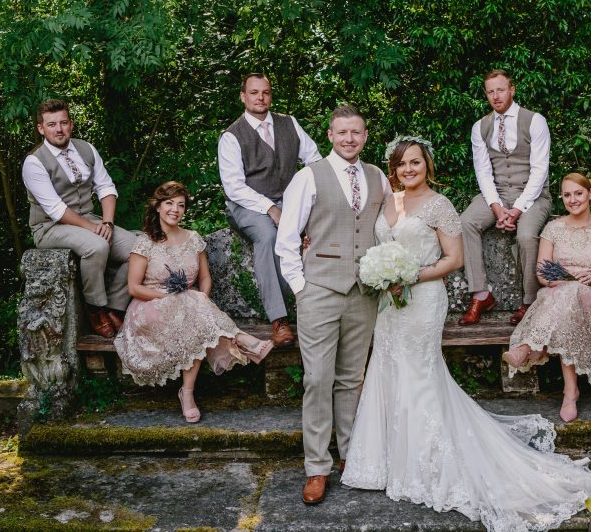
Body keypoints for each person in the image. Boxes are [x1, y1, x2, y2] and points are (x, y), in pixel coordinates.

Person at [342, 139, 591, 531]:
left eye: (416, 162)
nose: (409, 169)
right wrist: (382, 274)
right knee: (387, 369)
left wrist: (407, 276)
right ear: (394, 168)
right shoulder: (387, 201)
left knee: (420, 374)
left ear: (427, 165)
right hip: (389, 305)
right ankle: (386, 460)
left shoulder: (439, 205)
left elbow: (453, 259)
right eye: (402, 164)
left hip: (422, 299)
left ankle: (427, 461)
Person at [275, 105, 392, 506]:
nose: (349, 139)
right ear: (329, 135)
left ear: (364, 135)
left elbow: (387, 230)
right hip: (320, 290)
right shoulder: (308, 177)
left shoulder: (378, 177)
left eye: (356, 133)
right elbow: (287, 238)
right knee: (317, 379)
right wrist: (301, 288)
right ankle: (316, 467)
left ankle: (352, 456)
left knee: (351, 379)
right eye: (342, 133)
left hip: (365, 292)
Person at [114, 181, 273, 423]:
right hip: (150, 307)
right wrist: (172, 298)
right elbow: (135, 288)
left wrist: (201, 298)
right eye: (169, 203)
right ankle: (242, 340)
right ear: (157, 207)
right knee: (191, 309)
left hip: (189, 306)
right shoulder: (145, 242)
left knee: (194, 318)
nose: (175, 209)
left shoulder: (193, 238)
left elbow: (204, 278)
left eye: (180, 205)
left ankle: (186, 393)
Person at [503, 173, 591, 422]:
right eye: (566, 195)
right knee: (567, 298)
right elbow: (543, 274)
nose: (572, 199)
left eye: (578, 193)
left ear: (590, 194)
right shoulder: (553, 229)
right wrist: (565, 280)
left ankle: (529, 347)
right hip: (561, 298)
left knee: (571, 295)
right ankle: (570, 392)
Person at [219, 73, 322, 347]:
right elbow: (233, 187)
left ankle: (317, 308)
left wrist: (309, 198)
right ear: (243, 96)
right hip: (247, 205)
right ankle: (279, 319)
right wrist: (270, 209)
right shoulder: (231, 136)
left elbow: (314, 160)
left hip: (288, 200)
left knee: (318, 231)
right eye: (254, 93)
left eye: (265, 92)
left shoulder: (290, 123)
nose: (260, 97)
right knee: (268, 236)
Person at [22, 98, 135, 339]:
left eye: (63, 123)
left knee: (139, 248)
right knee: (97, 246)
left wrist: (107, 222)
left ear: (71, 124)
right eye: (52, 124)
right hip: (50, 227)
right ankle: (95, 309)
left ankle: (116, 306)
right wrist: (94, 229)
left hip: (89, 218)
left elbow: (106, 188)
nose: (59, 129)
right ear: (41, 128)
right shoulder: (34, 162)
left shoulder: (86, 149)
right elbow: (56, 210)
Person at [459, 69, 552, 326]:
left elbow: (540, 170)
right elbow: (483, 171)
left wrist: (518, 209)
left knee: (525, 235)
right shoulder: (481, 126)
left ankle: (530, 301)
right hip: (497, 192)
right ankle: (481, 294)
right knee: (466, 222)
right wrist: (497, 208)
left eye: (500, 90)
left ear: (512, 89)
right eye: (490, 91)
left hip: (532, 195)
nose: (496, 96)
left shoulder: (534, 121)